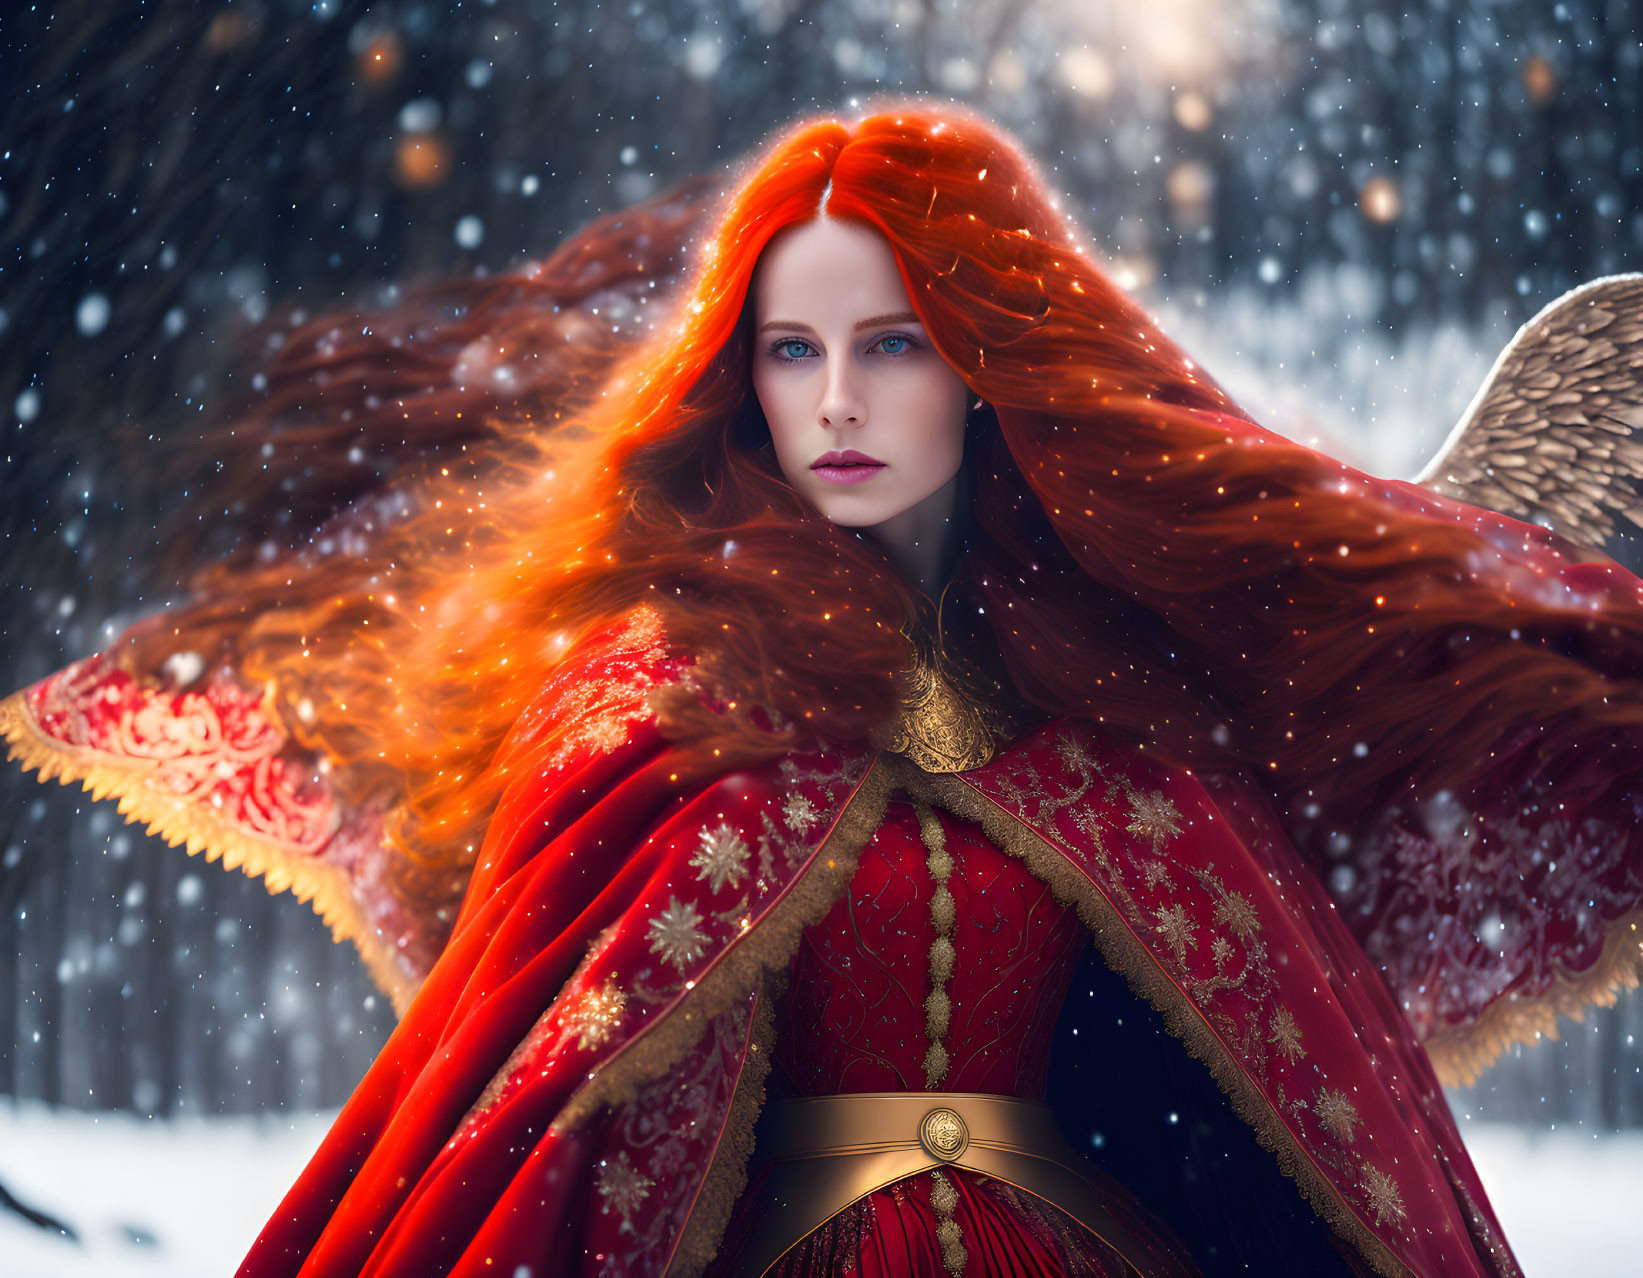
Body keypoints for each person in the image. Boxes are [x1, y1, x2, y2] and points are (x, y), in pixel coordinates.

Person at [6, 102, 1643, 1278]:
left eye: (896, 346)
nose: (840, 400)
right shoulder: (661, 695)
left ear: (989, 365)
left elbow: (1257, 1063)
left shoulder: (1116, 710)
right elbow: (538, 1080)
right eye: (797, 352)